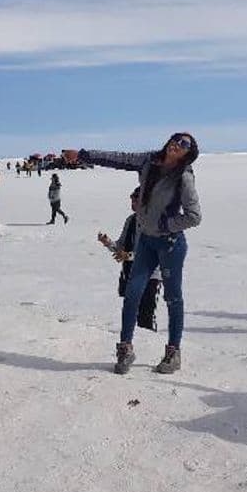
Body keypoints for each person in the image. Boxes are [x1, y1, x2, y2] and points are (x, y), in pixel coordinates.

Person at [66, 133, 201, 375]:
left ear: (188, 153)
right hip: (146, 243)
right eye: (176, 139)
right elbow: (117, 158)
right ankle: (125, 348)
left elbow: (194, 216)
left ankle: (173, 352)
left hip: (170, 244)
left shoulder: (184, 176)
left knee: (173, 298)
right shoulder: (148, 161)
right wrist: (84, 155)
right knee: (132, 294)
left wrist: (164, 225)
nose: (177, 144)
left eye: (184, 144)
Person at [98, 187, 161, 331]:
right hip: (132, 274)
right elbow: (121, 247)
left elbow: (153, 254)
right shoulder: (131, 220)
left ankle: (151, 344)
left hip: (151, 276)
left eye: (135, 199)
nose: (132, 202)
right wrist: (108, 243)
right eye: (132, 199)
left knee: (146, 315)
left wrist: (128, 256)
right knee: (131, 314)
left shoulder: (155, 222)